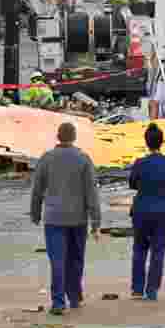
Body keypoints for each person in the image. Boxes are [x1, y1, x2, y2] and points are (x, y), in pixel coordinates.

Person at [30, 122, 102, 315]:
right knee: (76, 259)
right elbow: (91, 192)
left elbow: (37, 189)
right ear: (74, 137)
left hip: (53, 219)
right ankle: (75, 296)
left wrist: (35, 212)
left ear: (58, 136)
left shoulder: (46, 159)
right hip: (78, 219)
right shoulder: (83, 159)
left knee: (57, 260)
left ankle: (58, 302)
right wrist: (96, 220)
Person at [129, 123, 165, 301]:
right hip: (163, 211)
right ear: (161, 142)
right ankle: (152, 289)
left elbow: (132, 184)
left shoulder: (140, 163)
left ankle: (137, 288)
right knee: (159, 251)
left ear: (146, 142)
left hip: (142, 210)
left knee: (139, 249)